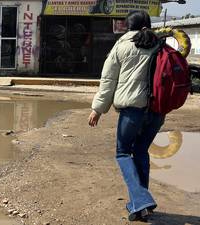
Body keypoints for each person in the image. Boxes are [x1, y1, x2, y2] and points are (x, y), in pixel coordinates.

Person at [88, 10, 164, 222]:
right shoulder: (161, 45)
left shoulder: (122, 46)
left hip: (132, 111)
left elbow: (108, 81)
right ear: (148, 24)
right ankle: (141, 207)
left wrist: (97, 109)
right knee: (140, 151)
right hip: (157, 111)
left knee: (123, 154)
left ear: (127, 26)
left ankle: (141, 199)